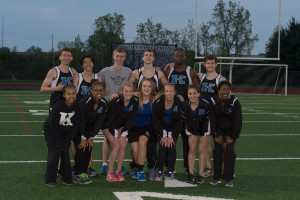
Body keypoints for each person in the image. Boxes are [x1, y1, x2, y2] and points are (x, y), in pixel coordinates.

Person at [127, 49, 168, 175]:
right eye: (146, 55)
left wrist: (176, 96)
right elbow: (127, 88)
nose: (148, 57)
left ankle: (151, 166)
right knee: (137, 145)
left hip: (153, 110)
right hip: (141, 107)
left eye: (151, 55)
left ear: (154, 58)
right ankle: (136, 166)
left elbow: (168, 87)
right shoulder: (136, 72)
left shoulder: (159, 74)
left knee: (151, 144)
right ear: (142, 58)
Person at [164, 48, 200, 174]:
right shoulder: (169, 70)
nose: (179, 57)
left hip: (185, 111)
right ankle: (169, 167)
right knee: (170, 138)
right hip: (171, 110)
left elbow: (197, 88)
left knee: (187, 141)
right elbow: (161, 85)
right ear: (173, 57)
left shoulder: (190, 72)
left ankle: (187, 167)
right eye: (177, 55)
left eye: (181, 55)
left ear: (184, 57)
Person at [98, 47, 132, 175]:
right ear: (113, 56)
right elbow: (96, 83)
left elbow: (140, 78)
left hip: (123, 109)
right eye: (117, 56)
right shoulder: (106, 71)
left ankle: (119, 165)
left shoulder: (128, 71)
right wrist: (102, 89)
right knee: (108, 139)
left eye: (122, 56)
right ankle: (105, 164)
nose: (119, 59)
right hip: (108, 108)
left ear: (125, 58)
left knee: (121, 138)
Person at [44, 85, 81, 187]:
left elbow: (75, 125)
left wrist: (67, 139)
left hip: (65, 133)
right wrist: (58, 139)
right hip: (52, 132)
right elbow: (52, 124)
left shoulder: (77, 107)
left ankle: (67, 178)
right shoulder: (58, 106)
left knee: (65, 153)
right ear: (64, 95)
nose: (71, 96)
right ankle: (50, 179)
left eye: (73, 93)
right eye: (68, 94)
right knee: (55, 152)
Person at [72, 81, 108, 184]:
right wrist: (83, 137)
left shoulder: (104, 103)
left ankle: (83, 172)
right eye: (96, 90)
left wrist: (91, 137)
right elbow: (80, 120)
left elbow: (99, 122)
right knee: (81, 146)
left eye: (101, 90)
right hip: (77, 127)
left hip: (89, 129)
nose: (99, 92)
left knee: (89, 147)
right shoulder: (85, 101)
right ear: (91, 91)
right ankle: (77, 174)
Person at [73, 55, 102, 177]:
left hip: (92, 114)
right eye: (85, 62)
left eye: (90, 62)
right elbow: (73, 94)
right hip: (79, 113)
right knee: (76, 142)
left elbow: (99, 93)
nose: (88, 64)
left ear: (93, 64)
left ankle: (88, 166)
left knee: (90, 140)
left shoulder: (97, 77)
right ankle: (78, 165)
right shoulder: (78, 77)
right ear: (82, 65)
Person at [103, 82, 139, 182]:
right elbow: (110, 120)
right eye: (126, 91)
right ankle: (110, 173)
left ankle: (118, 171)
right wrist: (115, 135)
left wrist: (123, 134)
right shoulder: (115, 100)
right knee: (116, 145)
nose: (128, 93)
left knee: (123, 144)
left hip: (121, 126)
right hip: (108, 125)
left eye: (131, 91)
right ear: (122, 91)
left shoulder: (135, 100)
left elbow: (130, 119)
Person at [209, 80, 242, 187]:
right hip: (218, 131)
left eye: (228, 89)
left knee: (230, 153)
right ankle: (217, 177)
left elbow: (238, 120)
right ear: (218, 90)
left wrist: (233, 136)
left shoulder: (235, 101)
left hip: (230, 131)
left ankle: (228, 178)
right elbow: (212, 119)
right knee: (217, 152)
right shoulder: (213, 101)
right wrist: (215, 135)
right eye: (223, 89)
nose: (225, 91)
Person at [198, 54, 226, 177]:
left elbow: (226, 97)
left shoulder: (221, 79)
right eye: (208, 63)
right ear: (204, 64)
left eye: (212, 63)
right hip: (204, 114)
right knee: (206, 142)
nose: (210, 65)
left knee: (221, 142)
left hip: (217, 114)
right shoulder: (200, 77)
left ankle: (227, 168)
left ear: (216, 65)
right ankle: (209, 168)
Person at [128, 78, 159, 181]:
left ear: (152, 88)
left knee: (142, 145)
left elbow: (170, 99)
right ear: (140, 87)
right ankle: (137, 168)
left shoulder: (155, 98)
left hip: (146, 127)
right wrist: (115, 96)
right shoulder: (135, 96)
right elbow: (122, 96)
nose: (147, 88)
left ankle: (140, 171)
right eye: (144, 86)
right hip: (132, 127)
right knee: (135, 150)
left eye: (149, 86)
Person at [152, 83, 184, 181]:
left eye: (171, 91)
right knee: (162, 146)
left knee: (171, 146)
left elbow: (179, 121)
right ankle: (160, 171)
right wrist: (163, 134)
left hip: (173, 130)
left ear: (175, 92)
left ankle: (170, 171)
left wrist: (170, 135)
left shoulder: (179, 103)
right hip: (160, 129)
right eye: (166, 91)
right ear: (164, 92)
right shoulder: (158, 103)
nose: (169, 93)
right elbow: (155, 121)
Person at [183, 84, 210, 184]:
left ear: (199, 94)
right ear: (187, 94)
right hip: (193, 129)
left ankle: (200, 174)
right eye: (190, 93)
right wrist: (187, 129)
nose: (192, 96)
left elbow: (208, 120)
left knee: (202, 149)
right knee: (192, 149)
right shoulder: (185, 104)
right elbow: (184, 119)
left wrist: (206, 132)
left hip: (205, 129)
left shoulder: (205, 104)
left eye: (195, 93)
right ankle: (190, 174)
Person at [40, 47, 78, 112]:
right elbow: (42, 89)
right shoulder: (53, 71)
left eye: (69, 56)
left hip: (69, 104)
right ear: (60, 57)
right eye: (64, 55)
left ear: (71, 58)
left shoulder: (73, 71)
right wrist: (57, 88)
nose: (67, 58)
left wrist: (75, 81)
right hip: (55, 104)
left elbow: (76, 88)